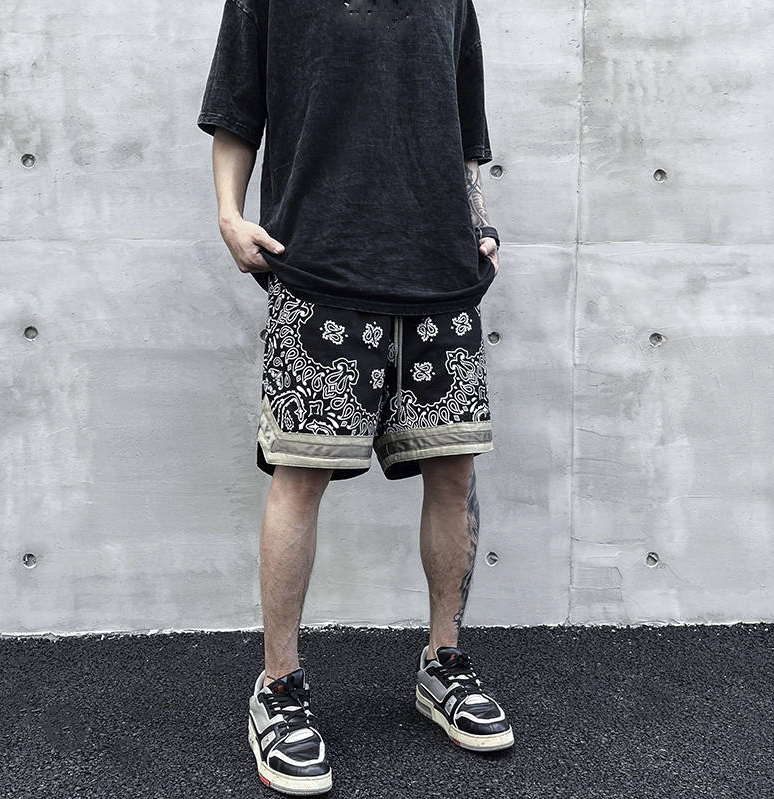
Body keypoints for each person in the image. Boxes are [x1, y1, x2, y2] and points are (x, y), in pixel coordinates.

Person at [197, 0, 514, 793]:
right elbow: (236, 106)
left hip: (439, 272)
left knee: (453, 471)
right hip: (320, 265)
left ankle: (443, 661)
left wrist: (478, 224)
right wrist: (229, 216)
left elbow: (463, 130)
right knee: (300, 474)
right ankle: (278, 686)